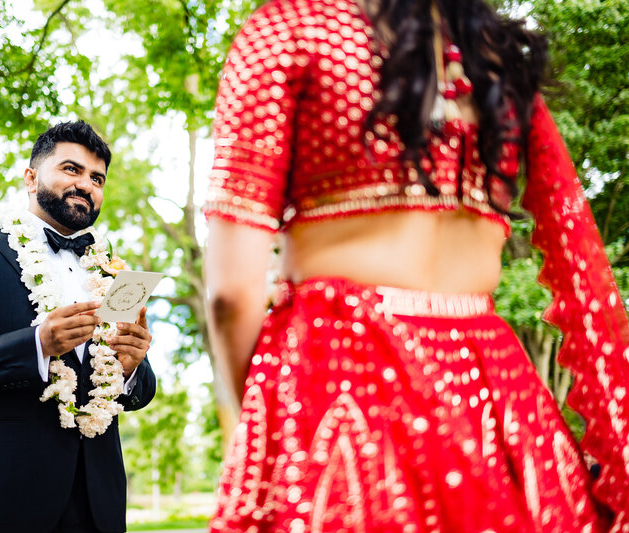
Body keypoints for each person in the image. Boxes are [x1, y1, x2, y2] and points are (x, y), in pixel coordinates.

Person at [203, 0, 629, 531]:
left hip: (340, 379)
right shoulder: (494, 58)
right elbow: (579, 266)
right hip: (496, 390)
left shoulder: (292, 29)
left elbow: (230, 294)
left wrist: (265, 418)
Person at [0, 120, 156, 533]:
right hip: (0, 502)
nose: (86, 185)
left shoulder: (113, 275)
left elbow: (136, 394)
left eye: (97, 178)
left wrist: (133, 369)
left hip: (98, 507)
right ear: (31, 177)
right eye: (71, 169)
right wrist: (36, 345)